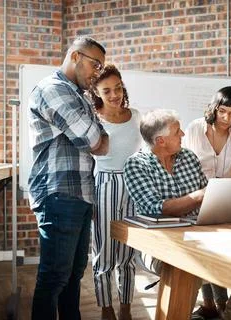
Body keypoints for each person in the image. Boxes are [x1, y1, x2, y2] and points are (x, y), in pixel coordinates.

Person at [28, 36, 109, 320]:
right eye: (95, 65)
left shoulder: (80, 96)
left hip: (81, 194)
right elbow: (92, 138)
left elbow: (102, 141)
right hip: (58, 193)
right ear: (75, 56)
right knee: (54, 278)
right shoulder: (53, 89)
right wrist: (97, 137)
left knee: (73, 276)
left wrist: (97, 137)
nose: (97, 73)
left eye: (101, 67)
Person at [183, 86, 231, 319]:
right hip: (198, 195)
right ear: (214, 108)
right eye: (223, 111)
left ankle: (222, 306)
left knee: (226, 250)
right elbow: (186, 163)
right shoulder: (195, 128)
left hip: (228, 195)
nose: (227, 118)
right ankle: (211, 304)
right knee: (204, 250)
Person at [87, 64, 142, 320]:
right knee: (105, 252)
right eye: (107, 90)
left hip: (132, 183)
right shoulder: (92, 117)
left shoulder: (137, 116)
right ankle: (107, 309)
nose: (114, 95)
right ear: (97, 92)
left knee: (129, 253)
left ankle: (126, 308)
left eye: (118, 88)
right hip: (105, 184)